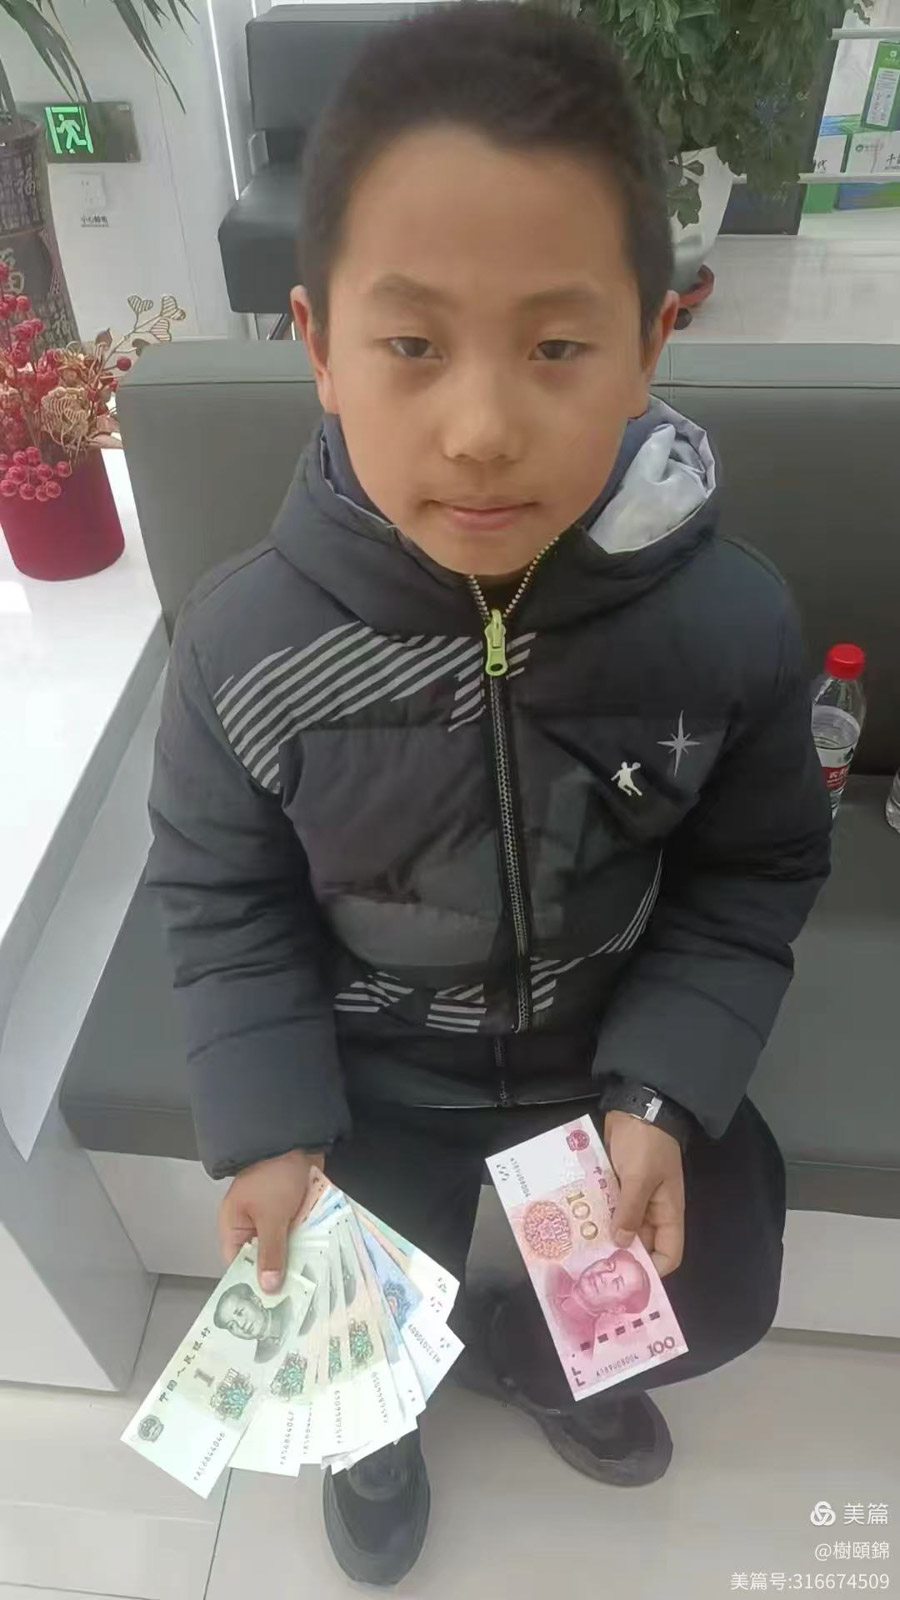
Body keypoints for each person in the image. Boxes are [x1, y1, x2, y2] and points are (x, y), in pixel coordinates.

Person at [147, 2, 831, 1583]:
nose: (478, 430)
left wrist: (661, 1090)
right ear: (317, 347)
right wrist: (267, 1129)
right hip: (371, 1072)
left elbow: (753, 874)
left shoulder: (728, 626)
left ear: (653, 343)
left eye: (556, 347)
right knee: (326, 1331)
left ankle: (539, 1363)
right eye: (411, 345)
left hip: (604, 1047)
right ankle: (381, 1432)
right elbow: (223, 902)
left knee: (718, 1287)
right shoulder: (244, 647)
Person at [212, 1282, 294, 1363]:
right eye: (231, 1326)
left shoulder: (291, 1306)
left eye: (240, 1312)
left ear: (255, 1301)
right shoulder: (260, 1359)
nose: (241, 1324)